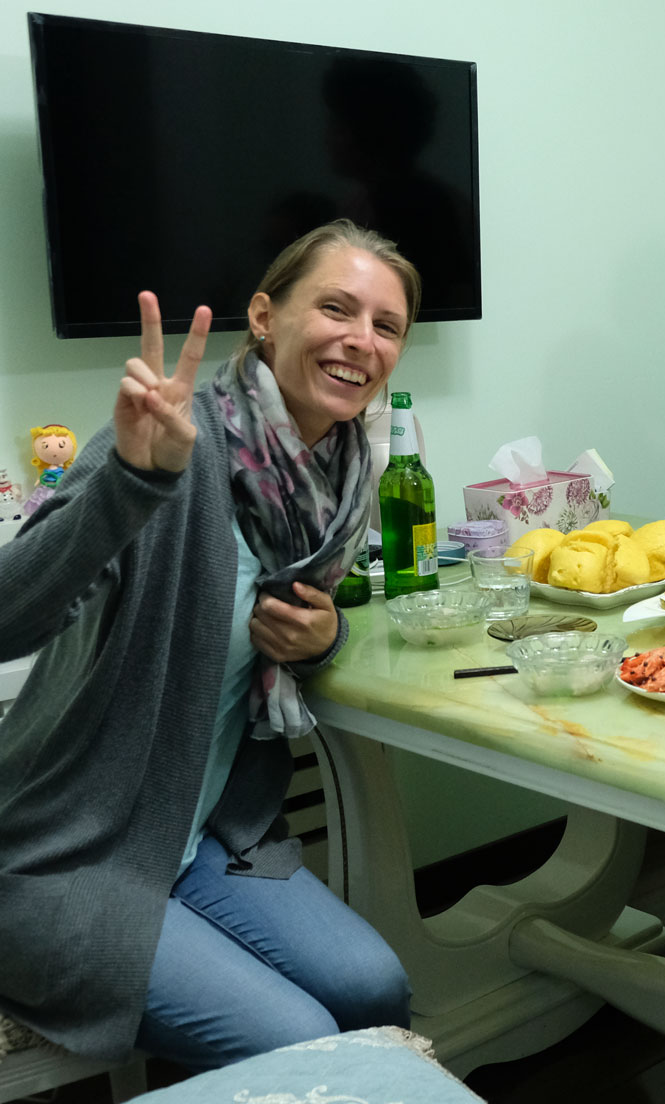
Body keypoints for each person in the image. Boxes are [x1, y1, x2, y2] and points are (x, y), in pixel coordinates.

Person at [0, 221, 418, 1069]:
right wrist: (129, 484)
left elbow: (280, 636)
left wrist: (324, 638)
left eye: (385, 324)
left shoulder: (339, 476)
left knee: (375, 985)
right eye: (335, 307)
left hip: (203, 838)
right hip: (64, 850)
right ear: (265, 316)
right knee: (293, 1041)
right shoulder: (173, 448)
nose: (360, 340)